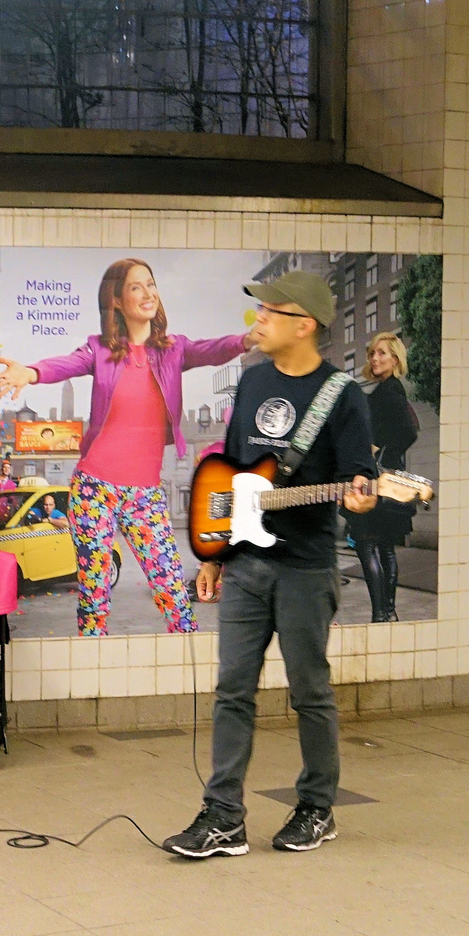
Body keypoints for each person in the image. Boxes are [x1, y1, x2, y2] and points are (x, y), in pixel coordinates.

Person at [164, 270, 377, 859]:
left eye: (268, 312)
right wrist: (214, 555)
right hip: (246, 567)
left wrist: (361, 496)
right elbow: (228, 473)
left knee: (309, 692)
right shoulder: (253, 383)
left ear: (303, 324)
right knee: (232, 689)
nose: (255, 322)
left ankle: (316, 807)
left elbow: (359, 477)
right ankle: (223, 816)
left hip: (305, 567)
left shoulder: (342, 394)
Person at [0, 258, 254, 636]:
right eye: (136, 287)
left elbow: (210, 349)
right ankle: (93, 675)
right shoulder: (99, 350)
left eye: (152, 284)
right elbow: (65, 364)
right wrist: (30, 372)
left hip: (145, 494)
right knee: (94, 599)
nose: (148, 294)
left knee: (174, 596)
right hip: (94, 489)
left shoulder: (173, 349)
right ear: (116, 299)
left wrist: (244, 341)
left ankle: (191, 682)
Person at [347, 332, 419, 622]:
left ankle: (380, 614)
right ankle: (388, 612)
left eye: (382, 353)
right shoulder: (390, 389)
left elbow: (408, 432)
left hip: (376, 478)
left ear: (395, 358)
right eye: (373, 353)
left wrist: (378, 451)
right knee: (385, 547)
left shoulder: (388, 391)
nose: (375, 358)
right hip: (385, 478)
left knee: (366, 545)